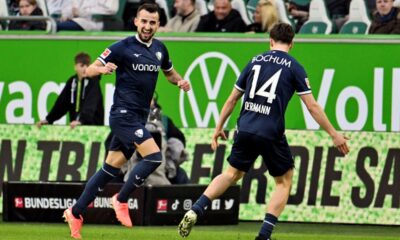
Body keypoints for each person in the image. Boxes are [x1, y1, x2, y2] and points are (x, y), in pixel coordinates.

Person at [178, 23, 349, 240]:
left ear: (270, 40)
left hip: (245, 128)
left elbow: (232, 99)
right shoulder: (295, 67)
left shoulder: (255, 61)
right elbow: (312, 106)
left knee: (231, 174)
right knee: (284, 180)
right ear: (292, 43)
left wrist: (219, 127)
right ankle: (264, 235)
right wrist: (334, 134)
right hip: (270, 131)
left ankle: (196, 209)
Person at [62, 3, 191, 239]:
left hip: (139, 118)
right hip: (123, 115)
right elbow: (89, 69)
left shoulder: (160, 49)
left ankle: (75, 211)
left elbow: (169, 73)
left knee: (109, 169)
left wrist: (181, 81)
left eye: (152, 22)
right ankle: (121, 199)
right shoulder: (122, 47)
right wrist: (102, 70)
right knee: (153, 157)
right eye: (144, 21)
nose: (147, 26)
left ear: (158, 25)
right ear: (136, 21)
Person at [36, 52, 104, 129]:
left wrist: (82, 121)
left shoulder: (93, 82)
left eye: (87, 66)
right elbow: (62, 103)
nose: (85, 68)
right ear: (75, 67)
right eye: (82, 66)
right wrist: (49, 119)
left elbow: (90, 105)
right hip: (75, 126)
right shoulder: (72, 82)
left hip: (93, 128)